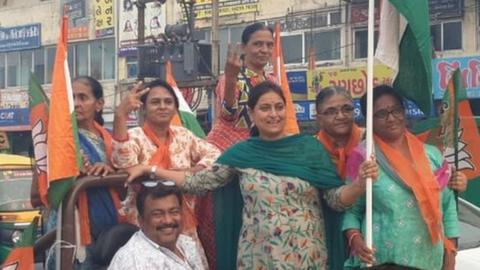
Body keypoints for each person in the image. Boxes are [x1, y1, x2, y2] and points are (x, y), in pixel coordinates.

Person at [125, 81, 379, 269]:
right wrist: (152, 169)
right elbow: (199, 182)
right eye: (265, 108)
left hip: (307, 257)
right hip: (258, 258)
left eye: (279, 107)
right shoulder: (242, 154)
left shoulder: (308, 149)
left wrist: (358, 184)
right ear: (253, 113)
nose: (274, 114)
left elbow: (335, 200)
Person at [342, 85, 459, 269]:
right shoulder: (363, 157)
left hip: (428, 260)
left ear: (404, 111)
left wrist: (450, 255)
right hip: (381, 260)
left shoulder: (432, 156)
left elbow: (448, 206)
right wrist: (355, 239)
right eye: (381, 114)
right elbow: (351, 210)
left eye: (395, 110)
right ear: (369, 119)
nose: (391, 118)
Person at [111, 79, 220, 268]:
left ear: (175, 108)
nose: (162, 106)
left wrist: (179, 173)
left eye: (168, 102)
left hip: (182, 222)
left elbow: (215, 156)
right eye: (155, 102)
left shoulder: (183, 135)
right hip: (147, 224)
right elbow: (124, 163)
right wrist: (120, 116)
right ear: (143, 108)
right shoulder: (136, 136)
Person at [200, 22, 276, 269]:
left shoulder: (273, 81)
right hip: (228, 152)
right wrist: (232, 76)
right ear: (244, 48)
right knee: (222, 220)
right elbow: (228, 113)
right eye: (258, 44)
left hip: (262, 153)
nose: (264, 50)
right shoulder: (230, 78)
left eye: (268, 45)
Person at [46, 76, 127, 269]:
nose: (76, 103)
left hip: (110, 226)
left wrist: (109, 172)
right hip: (72, 228)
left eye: (83, 97)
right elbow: (43, 189)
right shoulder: (59, 141)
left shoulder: (109, 139)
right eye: (71, 98)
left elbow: (125, 189)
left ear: (99, 104)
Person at [108, 178, 205, 270]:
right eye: (157, 214)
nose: (168, 220)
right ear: (141, 221)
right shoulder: (135, 263)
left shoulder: (185, 243)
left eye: (174, 211)